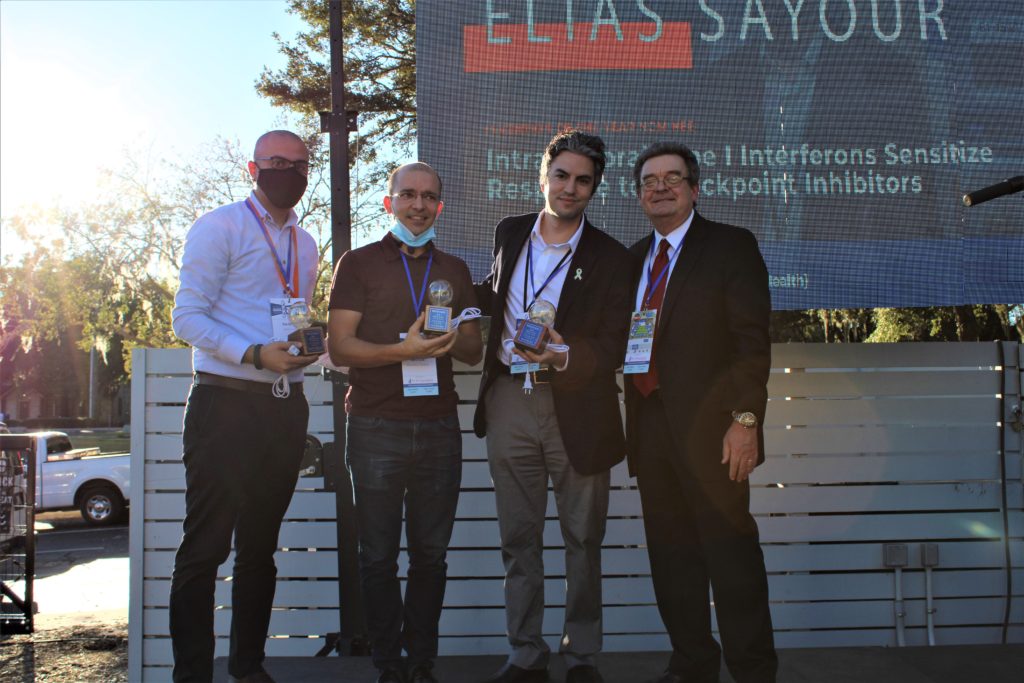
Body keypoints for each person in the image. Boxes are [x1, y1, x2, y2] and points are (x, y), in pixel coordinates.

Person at [473, 130, 632, 683]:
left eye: (583, 180)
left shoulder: (612, 256)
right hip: (507, 401)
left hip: (577, 406)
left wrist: (566, 355)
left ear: (594, 189)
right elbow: (490, 294)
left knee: (583, 539)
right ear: (543, 177)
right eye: (561, 175)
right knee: (519, 537)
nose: (570, 188)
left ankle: (581, 654)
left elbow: (616, 341)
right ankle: (526, 651)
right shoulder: (509, 232)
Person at [169, 130, 320, 683]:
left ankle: (248, 668)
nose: (290, 172)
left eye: (301, 164)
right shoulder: (219, 226)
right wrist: (253, 353)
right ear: (253, 170)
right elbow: (186, 319)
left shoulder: (305, 243)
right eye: (278, 162)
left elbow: (293, 317)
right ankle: (192, 675)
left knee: (260, 550)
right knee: (205, 549)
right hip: (223, 405)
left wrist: (309, 350)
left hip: (284, 408)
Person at [624, 141, 777, 683]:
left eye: (672, 177)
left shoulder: (730, 246)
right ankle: (691, 664)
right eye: (648, 180)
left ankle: (753, 671)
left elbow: (751, 343)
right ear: (639, 194)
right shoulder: (634, 257)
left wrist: (746, 421)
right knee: (672, 562)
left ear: (694, 188)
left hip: (715, 434)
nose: (659, 187)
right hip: (650, 431)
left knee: (731, 560)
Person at [327, 162, 483, 683]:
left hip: (439, 427)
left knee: (431, 557)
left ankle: (421, 664)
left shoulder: (456, 269)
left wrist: (449, 335)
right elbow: (340, 347)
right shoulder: (359, 263)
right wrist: (403, 350)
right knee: (377, 557)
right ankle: (387, 664)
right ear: (389, 201)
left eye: (429, 196)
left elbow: (473, 351)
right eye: (409, 195)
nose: (419, 205)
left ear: (440, 205)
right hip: (375, 427)